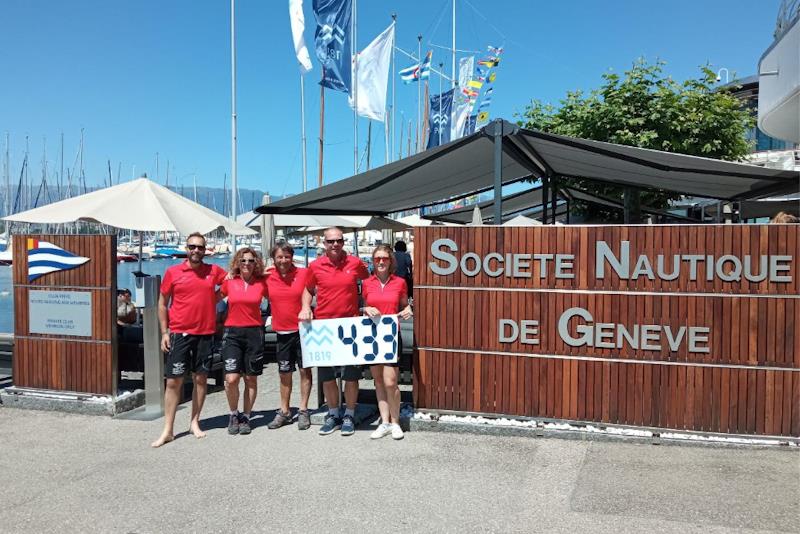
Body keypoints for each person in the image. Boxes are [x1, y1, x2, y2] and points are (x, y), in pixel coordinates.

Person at [151, 232, 227, 448]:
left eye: (200, 247)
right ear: (186, 248)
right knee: (173, 381)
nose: (196, 250)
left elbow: (233, 280)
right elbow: (162, 303)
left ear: (205, 250)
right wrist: (165, 332)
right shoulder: (173, 272)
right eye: (192, 246)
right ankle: (168, 429)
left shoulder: (213, 271)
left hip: (204, 333)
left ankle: (195, 421)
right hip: (179, 333)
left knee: (201, 379)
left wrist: (216, 298)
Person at [300, 227, 369, 436]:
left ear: (343, 241)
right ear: (324, 244)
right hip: (324, 328)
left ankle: (349, 413)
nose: (335, 245)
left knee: (350, 376)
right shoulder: (315, 266)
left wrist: (367, 306)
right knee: (327, 376)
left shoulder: (355, 263)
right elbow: (308, 290)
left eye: (339, 240)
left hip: (350, 327)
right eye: (331, 242)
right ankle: (333, 414)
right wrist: (305, 307)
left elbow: (368, 283)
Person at [361, 245, 413, 440]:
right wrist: (366, 309)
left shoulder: (399, 282)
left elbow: (404, 305)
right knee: (379, 381)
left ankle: (395, 422)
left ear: (390, 261)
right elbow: (365, 305)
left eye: (384, 258)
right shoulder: (367, 283)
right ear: (373, 262)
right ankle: (384, 422)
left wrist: (408, 310)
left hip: (391, 335)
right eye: (377, 259)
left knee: (391, 381)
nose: (381, 262)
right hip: (372, 336)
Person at [219, 247, 269, 436]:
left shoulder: (262, 283)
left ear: (256, 263)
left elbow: (280, 294)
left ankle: (246, 416)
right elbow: (212, 298)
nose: (247, 264)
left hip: (254, 333)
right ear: (237, 263)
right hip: (232, 333)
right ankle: (234, 413)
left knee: (250, 378)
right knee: (231, 379)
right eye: (243, 260)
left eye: (250, 260)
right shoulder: (230, 282)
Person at [265, 243, 314, 431]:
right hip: (282, 332)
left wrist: (307, 307)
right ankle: (285, 411)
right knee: (284, 373)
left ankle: (303, 410)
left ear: (292, 257)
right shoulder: (268, 276)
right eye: (279, 257)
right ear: (274, 259)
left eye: (287, 256)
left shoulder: (304, 273)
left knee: (304, 371)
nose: (283, 260)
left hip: (304, 330)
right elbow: (243, 276)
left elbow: (316, 289)